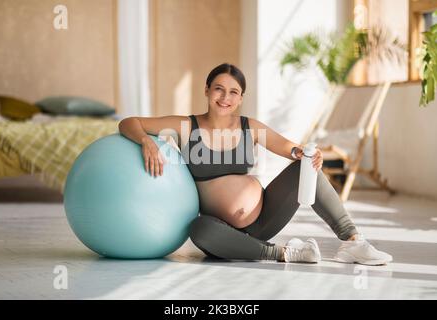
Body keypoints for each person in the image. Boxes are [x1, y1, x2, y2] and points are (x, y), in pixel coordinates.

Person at [118, 63, 393, 265]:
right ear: (207, 90)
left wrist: (303, 153)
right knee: (198, 230)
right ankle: (282, 252)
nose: (225, 98)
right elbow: (129, 122)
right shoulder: (186, 126)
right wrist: (146, 140)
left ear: (240, 98)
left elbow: (287, 147)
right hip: (221, 232)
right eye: (219, 89)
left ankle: (352, 242)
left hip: (264, 220)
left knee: (306, 166)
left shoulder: (250, 127)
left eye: (233, 92)